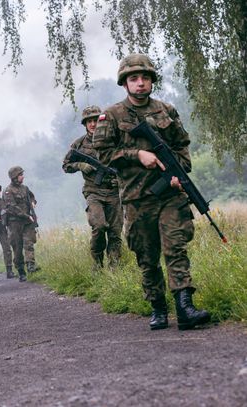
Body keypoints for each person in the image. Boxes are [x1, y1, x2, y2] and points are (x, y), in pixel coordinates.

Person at [92, 53, 210, 331]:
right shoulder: (112, 115)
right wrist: (137, 155)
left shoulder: (166, 110)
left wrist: (176, 175)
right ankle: (157, 308)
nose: (140, 83)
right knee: (147, 256)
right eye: (134, 78)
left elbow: (182, 148)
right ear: (125, 83)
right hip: (136, 199)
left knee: (176, 249)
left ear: (152, 81)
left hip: (170, 196)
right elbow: (103, 156)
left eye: (145, 78)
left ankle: (184, 308)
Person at [62, 105, 123, 268]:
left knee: (115, 232)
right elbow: (66, 165)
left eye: (95, 120)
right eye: (89, 121)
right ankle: (97, 262)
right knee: (99, 226)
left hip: (114, 192)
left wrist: (120, 178)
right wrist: (80, 165)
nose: (93, 124)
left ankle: (115, 267)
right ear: (85, 124)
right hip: (93, 192)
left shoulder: (113, 140)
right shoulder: (79, 144)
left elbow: (125, 163)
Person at [3, 166, 37, 282]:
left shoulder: (25, 188)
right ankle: (21, 271)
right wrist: (27, 216)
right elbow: (12, 208)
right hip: (14, 224)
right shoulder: (8, 191)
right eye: (21, 174)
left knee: (29, 243)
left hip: (27, 222)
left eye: (22, 174)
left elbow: (32, 196)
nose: (23, 176)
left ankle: (31, 266)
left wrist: (32, 203)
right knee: (17, 248)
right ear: (15, 177)